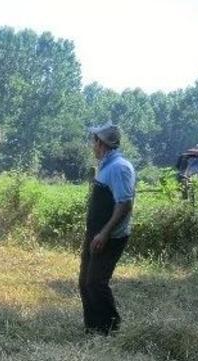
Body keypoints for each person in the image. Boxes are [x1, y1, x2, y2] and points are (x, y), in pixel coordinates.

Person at [80, 123, 136, 335]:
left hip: (109, 237)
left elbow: (124, 204)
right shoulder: (106, 165)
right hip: (95, 234)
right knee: (85, 283)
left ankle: (112, 330)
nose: (92, 145)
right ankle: (93, 329)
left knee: (96, 283)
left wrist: (104, 233)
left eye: (94, 141)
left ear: (100, 143)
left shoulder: (119, 167)